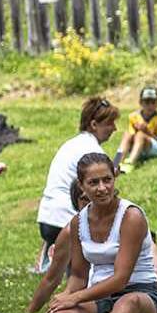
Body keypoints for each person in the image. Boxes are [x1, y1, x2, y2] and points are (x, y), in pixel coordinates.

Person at [0, 153, 157, 313]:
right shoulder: (78, 222)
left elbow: (121, 279)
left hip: (141, 293)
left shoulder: (131, 216)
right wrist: (66, 298)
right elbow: (78, 275)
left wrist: (76, 297)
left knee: (128, 302)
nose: (102, 188)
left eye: (107, 180)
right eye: (93, 182)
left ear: (115, 177)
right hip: (100, 296)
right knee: (64, 311)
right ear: (81, 185)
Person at [35, 97, 120, 274]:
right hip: (65, 221)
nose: (114, 128)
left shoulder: (72, 144)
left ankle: (51, 256)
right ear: (94, 124)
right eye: (110, 123)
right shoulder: (92, 150)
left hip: (47, 219)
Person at [116, 86, 157, 174]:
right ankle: (116, 161)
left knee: (141, 135)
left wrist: (146, 131)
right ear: (141, 102)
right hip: (137, 147)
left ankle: (130, 163)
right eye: (147, 102)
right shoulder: (133, 116)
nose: (150, 106)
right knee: (127, 134)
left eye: (153, 102)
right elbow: (131, 137)